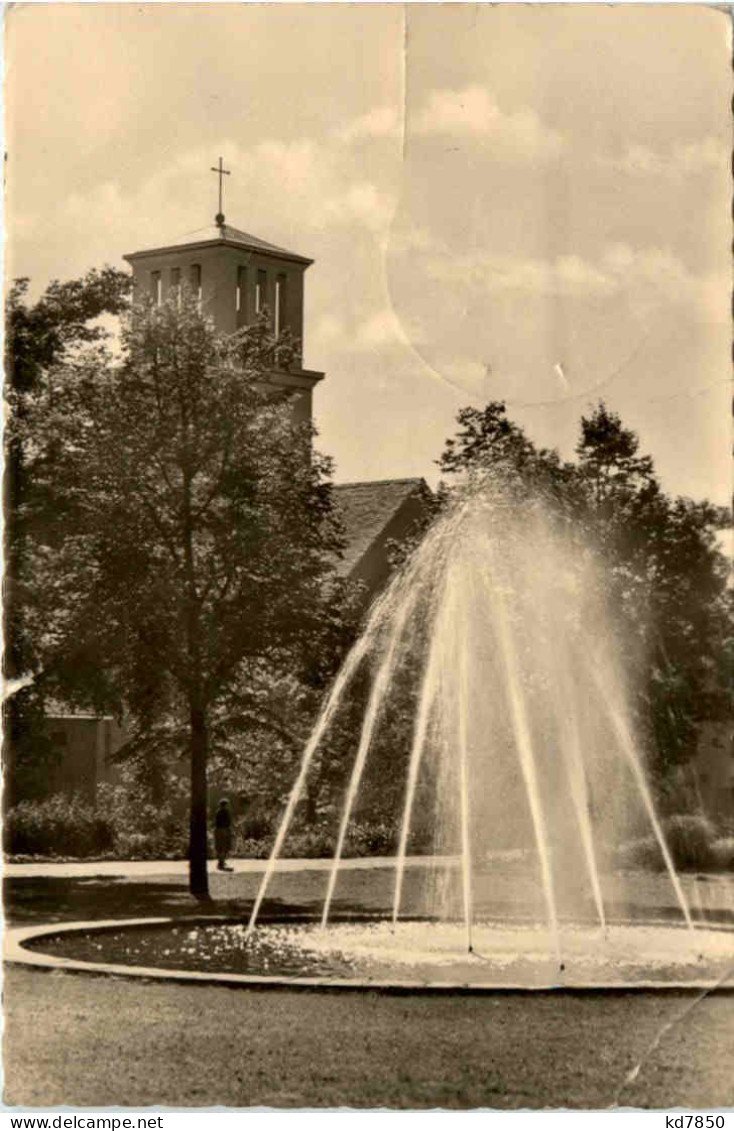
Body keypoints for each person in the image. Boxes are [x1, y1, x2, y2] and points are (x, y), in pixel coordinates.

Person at [214, 798, 234, 871]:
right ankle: (221, 861)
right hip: (224, 830)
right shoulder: (226, 812)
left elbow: (216, 822)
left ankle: (220, 861)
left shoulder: (218, 812)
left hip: (218, 830)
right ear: (225, 805)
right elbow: (228, 822)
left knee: (219, 847)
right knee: (224, 846)